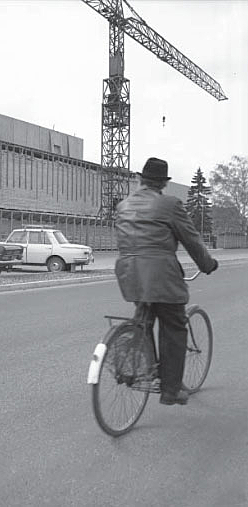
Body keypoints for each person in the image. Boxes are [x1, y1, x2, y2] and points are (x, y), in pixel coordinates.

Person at [114, 157, 218, 406]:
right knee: (174, 325)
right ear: (163, 183)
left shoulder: (123, 205)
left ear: (141, 179)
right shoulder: (169, 205)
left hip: (129, 275)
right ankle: (171, 390)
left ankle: (145, 370)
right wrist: (207, 264)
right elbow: (191, 240)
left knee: (144, 320)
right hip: (161, 276)